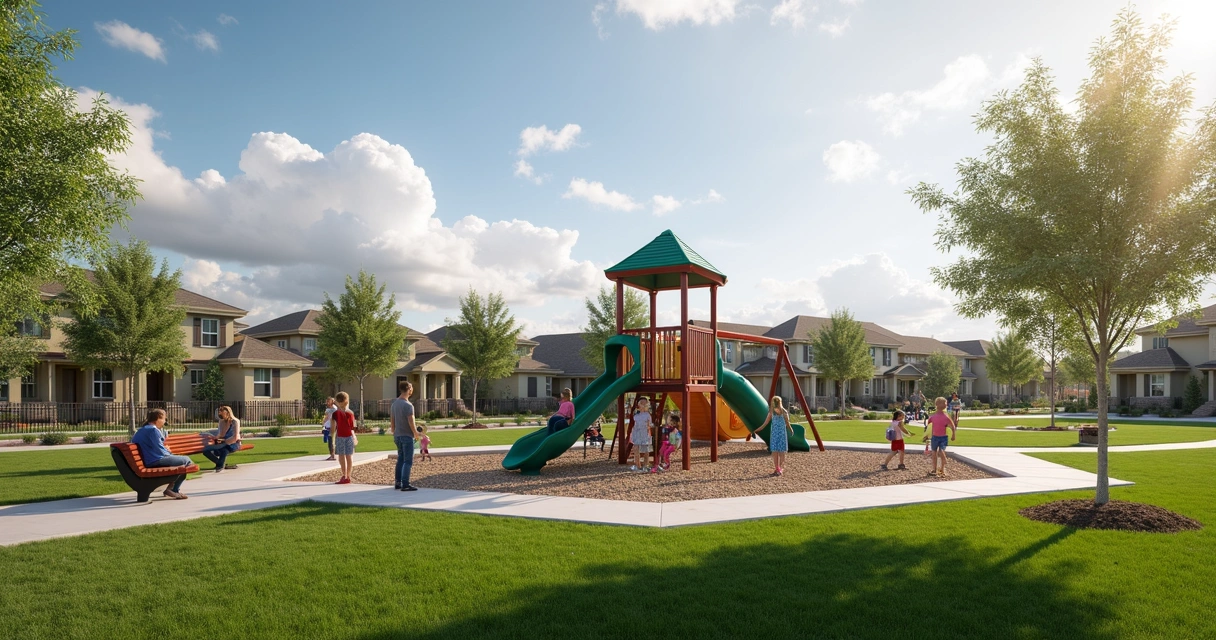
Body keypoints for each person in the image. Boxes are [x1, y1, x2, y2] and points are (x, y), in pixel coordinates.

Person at [131, 409, 191, 500]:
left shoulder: (142, 430)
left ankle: (172, 488)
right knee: (186, 460)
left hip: (147, 460)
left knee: (181, 464)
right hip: (154, 460)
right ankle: (172, 489)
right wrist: (169, 452)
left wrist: (166, 451)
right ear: (158, 418)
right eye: (164, 419)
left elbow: (155, 447)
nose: (164, 421)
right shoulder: (153, 430)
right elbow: (161, 451)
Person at [390, 381, 422, 491]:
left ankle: (398, 482)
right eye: (411, 388)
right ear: (409, 389)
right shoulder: (408, 405)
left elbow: (392, 419)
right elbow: (411, 420)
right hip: (406, 436)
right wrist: (415, 433)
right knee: (408, 461)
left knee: (400, 459)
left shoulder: (395, 403)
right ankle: (405, 484)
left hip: (397, 435)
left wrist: (393, 430)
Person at [756, 396, 794, 476]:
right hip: (781, 434)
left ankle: (777, 468)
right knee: (781, 452)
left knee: (775, 452)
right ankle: (780, 468)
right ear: (780, 402)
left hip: (775, 434)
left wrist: (757, 429)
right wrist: (791, 430)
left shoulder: (772, 412)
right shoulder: (784, 412)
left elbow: (765, 424)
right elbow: (787, 424)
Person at [922, 397, 958, 477]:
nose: (946, 404)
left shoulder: (945, 416)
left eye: (946, 403)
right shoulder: (933, 417)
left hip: (943, 437)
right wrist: (927, 436)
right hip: (934, 437)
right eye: (944, 403)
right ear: (937, 404)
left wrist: (953, 434)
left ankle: (942, 468)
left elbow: (952, 426)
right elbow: (929, 427)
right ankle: (935, 469)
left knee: (941, 451)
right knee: (934, 453)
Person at [202, 405, 241, 472]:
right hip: (223, 442)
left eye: (222, 413)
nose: (220, 415)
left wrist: (225, 441)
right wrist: (216, 438)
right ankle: (220, 463)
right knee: (206, 450)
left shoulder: (235, 421)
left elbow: (235, 436)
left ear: (227, 413)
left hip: (234, 443)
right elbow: (221, 434)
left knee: (224, 450)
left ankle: (219, 466)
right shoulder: (222, 421)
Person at [331, 392, 358, 484]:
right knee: (349, 456)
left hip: (340, 437)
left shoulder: (335, 413)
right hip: (349, 436)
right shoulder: (350, 413)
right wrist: (354, 437)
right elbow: (353, 427)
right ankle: (348, 476)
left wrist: (332, 438)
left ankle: (344, 475)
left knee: (341, 456)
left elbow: (333, 427)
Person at [629, 396, 652, 472]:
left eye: (645, 403)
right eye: (642, 403)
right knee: (636, 448)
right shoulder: (635, 414)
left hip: (644, 433)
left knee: (646, 449)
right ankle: (637, 464)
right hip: (637, 432)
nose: (643, 405)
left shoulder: (647, 415)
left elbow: (649, 424)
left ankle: (645, 465)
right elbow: (633, 424)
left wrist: (648, 430)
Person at [322, 397, 337, 461]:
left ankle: (332, 455)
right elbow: (326, 416)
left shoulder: (334, 408)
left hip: (332, 426)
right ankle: (332, 454)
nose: (327, 402)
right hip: (328, 425)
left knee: (331, 440)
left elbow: (327, 417)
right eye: (327, 401)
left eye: (329, 401)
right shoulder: (329, 409)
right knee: (329, 440)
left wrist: (323, 422)